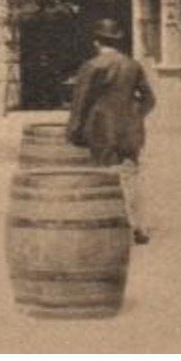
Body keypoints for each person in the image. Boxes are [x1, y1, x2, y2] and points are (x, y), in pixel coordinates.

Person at [66, 18, 156, 244]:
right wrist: (135, 115)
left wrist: (74, 131)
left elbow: (81, 103)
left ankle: (108, 226)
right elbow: (150, 99)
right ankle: (138, 226)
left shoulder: (91, 67)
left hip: (101, 131)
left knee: (104, 177)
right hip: (131, 132)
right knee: (130, 176)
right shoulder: (133, 66)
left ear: (97, 42)